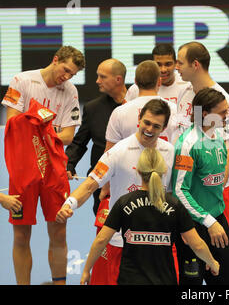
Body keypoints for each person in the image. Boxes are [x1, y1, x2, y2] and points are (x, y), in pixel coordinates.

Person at [55, 98, 174, 285]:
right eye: (147, 123)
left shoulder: (170, 152)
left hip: (158, 239)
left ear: (164, 127)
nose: (150, 129)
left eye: (156, 126)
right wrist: (69, 204)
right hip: (122, 241)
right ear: (139, 119)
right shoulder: (118, 151)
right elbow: (90, 184)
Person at [1, 45, 85, 285]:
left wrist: (37, 123)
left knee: (59, 231)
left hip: (55, 170)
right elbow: (12, 124)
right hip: (23, 168)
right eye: (66, 70)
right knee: (20, 234)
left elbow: (69, 136)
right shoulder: (22, 80)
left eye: (73, 74)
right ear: (55, 59)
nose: (67, 77)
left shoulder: (70, 91)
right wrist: (47, 125)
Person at [80, 148, 219, 285]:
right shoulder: (175, 205)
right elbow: (197, 245)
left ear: (138, 171)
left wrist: (86, 270)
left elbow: (101, 239)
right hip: (164, 280)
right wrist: (212, 262)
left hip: (130, 280)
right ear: (164, 171)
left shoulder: (124, 202)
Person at [172, 88, 229, 285]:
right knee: (192, 284)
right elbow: (179, 191)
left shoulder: (217, 137)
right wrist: (207, 221)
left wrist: (214, 220)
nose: (227, 116)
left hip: (217, 219)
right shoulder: (187, 145)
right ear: (205, 114)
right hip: (193, 224)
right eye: (222, 112)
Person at [175, 41, 229, 225]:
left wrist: (215, 190)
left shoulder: (224, 101)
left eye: (180, 63)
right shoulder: (184, 93)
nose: (176, 67)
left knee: (217, 247)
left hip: (211, 190)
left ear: (195, 65)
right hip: (185, 188)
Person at [65, 58, 127, 215]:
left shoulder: (139, 105)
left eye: (103, 77)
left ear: (118, 79)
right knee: (103, 235)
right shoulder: (93, 108)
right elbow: (79, 142)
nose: (97, 81)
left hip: (132, 180)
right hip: (101, 182)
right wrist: (69, 164)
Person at [105, 60, 178, 148]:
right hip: (164, 161)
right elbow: (181, 148)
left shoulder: (119, 112)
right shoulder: (174, 110)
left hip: (129, 161)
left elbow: (109, 152)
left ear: (135, 82)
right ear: (159, 82)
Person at [125, 43, 190, 104]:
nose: (163, 70)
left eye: (168, 64)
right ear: (152, 63)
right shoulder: (136, 89)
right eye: (158, 64)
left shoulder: (188, 85)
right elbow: (123, 112)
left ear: (176, 63)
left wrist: (197, 116)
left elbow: (197, 110)